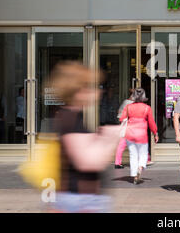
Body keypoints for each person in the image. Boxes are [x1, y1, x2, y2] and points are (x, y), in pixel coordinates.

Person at [48, 61, 121, 213]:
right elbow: (88, 162)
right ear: (79, 90)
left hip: (81, 200)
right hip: (80, 202)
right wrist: (109, 138)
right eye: (91, 87)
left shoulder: (72, 116)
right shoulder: (70, 118)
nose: (98, 92)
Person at [119, 88, 158, 184]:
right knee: (143, 153)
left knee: (133, 155)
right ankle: (140, 167)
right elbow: (151, 123)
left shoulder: (128, 107)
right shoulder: (147, 108)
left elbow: (122, 119)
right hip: (142, 134)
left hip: (130, 133)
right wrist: (155, 133)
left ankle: (134, 175)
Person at [114, 88, 135, 169]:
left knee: (121, 145)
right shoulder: (131, 103)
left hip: (125, 127)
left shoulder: (125, 102)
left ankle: (117, 163)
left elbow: (119, 114)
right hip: (131, 127)